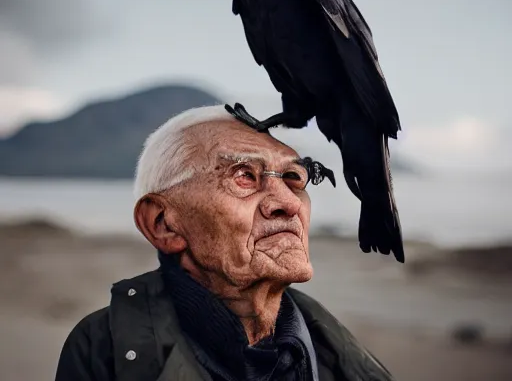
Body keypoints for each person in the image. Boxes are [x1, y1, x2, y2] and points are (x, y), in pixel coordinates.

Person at [55, 105, 395, 381]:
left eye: (294, 177)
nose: (289, 203)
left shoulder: (344, 360)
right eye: (245, 175)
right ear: (163, 224)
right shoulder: (102, 351)